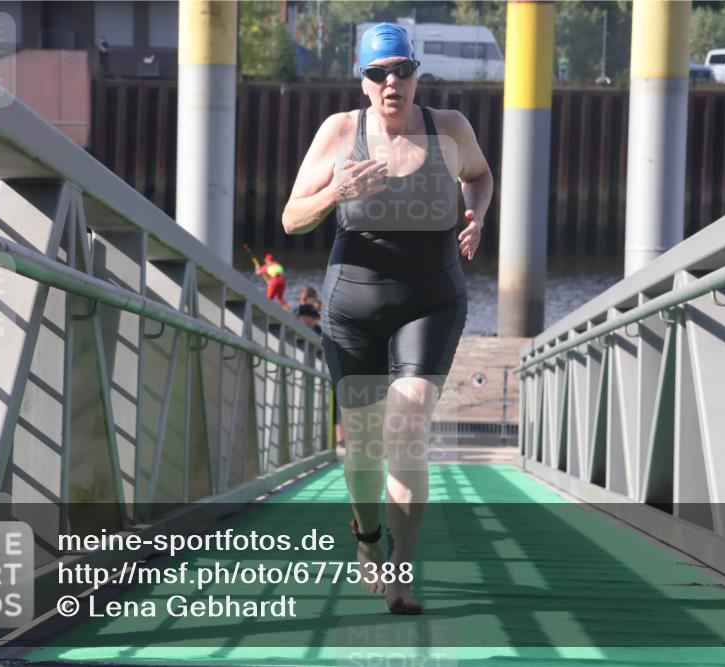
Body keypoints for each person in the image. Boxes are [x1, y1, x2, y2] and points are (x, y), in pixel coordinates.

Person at [281, 22, 492, 615]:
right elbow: (291, 219)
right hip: (353, 310)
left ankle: (401, 569)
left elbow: (479, 175)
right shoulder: (340, 132)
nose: (391, 82)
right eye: (378, 73)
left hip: (431, 300)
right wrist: (334, 193)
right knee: (365, 448)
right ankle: (368, 538)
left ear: (417, 74)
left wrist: (475, 213)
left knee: (405, 430)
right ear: (363, 81)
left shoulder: (449, 129)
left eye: (401, 70)